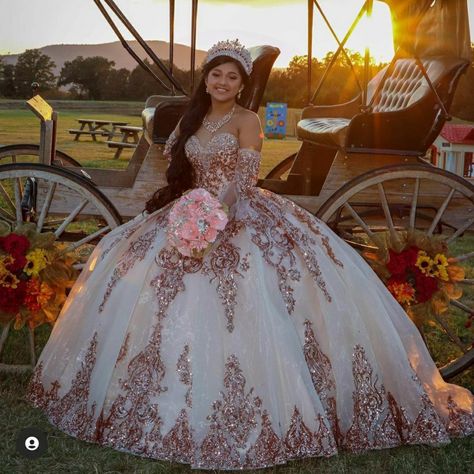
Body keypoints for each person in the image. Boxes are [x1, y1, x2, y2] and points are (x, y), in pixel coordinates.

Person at [26, 39, 473, 470]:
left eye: (231, 76)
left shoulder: (248, 122)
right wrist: (186, 213)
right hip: (190, 211)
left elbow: (241, 181)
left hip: (233, 212)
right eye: (215, 74)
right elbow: (178, 167)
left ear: (242, 84)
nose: (222, 82)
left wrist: (212, 219)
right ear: (206, 80)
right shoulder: (191, 117)